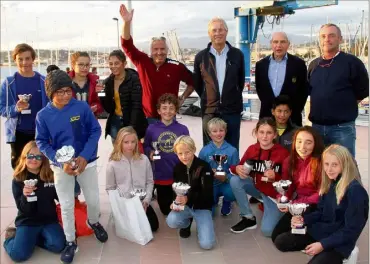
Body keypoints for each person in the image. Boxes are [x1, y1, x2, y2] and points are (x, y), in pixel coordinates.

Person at [35, 70, 108, 264]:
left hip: (87, 162)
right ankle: (70, 241)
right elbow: (42, 142)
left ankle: (93, 221)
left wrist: (84, 157)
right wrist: (60, 162)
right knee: (66, 204)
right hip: (62, 167)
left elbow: (95, 130)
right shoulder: (43, 116)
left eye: (68, 91)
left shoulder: (82, 107)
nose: (65, 95)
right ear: (51, 93)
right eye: (59, 92)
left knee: (93, 199)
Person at [274, 144, 369, 264]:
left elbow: (351, 230)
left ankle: (332, 255)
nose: (329, 169)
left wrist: (323, 245)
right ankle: (320, 250)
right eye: (326, 164)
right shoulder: (329, 183)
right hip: (323, 231)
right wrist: (303, 220)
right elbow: (320, 211)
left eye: (335, 165)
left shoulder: (356, 191)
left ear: (345, 165)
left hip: (340, 240)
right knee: (281, 241)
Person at [119, 4, 194, 123]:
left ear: (167, 50)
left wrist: (182, 98)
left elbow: (193, 82)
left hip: (169, 118)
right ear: (151, 51)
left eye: (162, 49)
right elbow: (126, 44)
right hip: (147, 118)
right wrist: (126, 23)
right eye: (155, 49)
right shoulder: (142, 61)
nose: (159, 52)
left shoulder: (177, 67)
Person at [307, 24, 369, 157]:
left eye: (331, 35)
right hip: (317, 127)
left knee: (346, 168)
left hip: (342, 129)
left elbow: (363, 90)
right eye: (323, 36)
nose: (327, 39)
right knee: (319, 168)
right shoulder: (313, 65)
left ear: (340, 39)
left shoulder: (352, 63)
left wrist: (344, 106)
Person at [3, 141, 65, 262]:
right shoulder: (18, 178)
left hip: (48, 220)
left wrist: (67, 180)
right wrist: (25, 196)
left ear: (43, 159)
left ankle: (33, 239)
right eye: (30, 156)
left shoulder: (50, 175)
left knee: (59, 246)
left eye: (38, 156)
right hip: (28, 221)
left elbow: (61, 197)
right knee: (19, 255)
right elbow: (22, 208)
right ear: (24, 157)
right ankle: (11, 238)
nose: (34, 159)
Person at [229, 117, 289, 237]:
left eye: (269, 133)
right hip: (257, 188)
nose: (264, 136)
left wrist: (276, 177)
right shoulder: (252, 149)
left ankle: (279, 211)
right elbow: (240, 166)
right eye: (261, 132)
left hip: (274, 195)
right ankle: (248, 218)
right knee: (235, 180)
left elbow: (288, 181)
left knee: (267, 232)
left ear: (275, 134)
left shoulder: (283, 153)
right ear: (256, 133)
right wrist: (236, 169)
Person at [193, 17, 245, 151]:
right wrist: (208, 97)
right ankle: (210, 172)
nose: (218, 33)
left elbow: (240, 81)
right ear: (209, 33)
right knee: (209, 150)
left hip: (232, 110)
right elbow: (198, 84)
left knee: (232, 148)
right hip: (210, 110)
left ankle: (231, 172)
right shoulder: (201, 57)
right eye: (214, 30)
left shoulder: (237, 54)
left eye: (221, 29)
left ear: (226, 31)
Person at [271, 126, 325, 242]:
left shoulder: (322, 162)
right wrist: (282, 199)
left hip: (316, 206)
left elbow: (322, 194)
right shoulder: (289, 161)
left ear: (315, 144)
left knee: (282, 242)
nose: (302, 147)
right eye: (299, 141)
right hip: (298, 205)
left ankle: (319, 239)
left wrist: (296, 203)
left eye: (308, 142)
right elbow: (287, 187)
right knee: (275, 235)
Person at [0, 43, 49, 169]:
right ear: (15, 60)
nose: (24, 62)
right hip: (18, 134)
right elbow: (2, 109)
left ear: (33, 59)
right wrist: (16, 108)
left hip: (41, 133)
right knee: (19, 169)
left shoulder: (44, 82)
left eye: (27, 58)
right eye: (20, 59)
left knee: (43, 169)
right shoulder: (8, 83)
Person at [143, 93, 189, 216]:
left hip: (177, 174)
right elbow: (146, 145)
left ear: (175, 111)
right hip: (160, 174)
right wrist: (150, 152)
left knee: (179, 206)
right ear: (158, 110)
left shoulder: (182, 129)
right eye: (164, 108)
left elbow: (188, 149)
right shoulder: (151, 128)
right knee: (165, 210)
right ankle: (160, 194)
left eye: (171, 108)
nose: (167, 111)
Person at [166, 136, 215, 250]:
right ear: (176, 153)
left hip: (202, 207)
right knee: (171, 221)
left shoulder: (204, 167)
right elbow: (175, 189)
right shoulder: (177, 168)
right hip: (186, 207)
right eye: (180, 153)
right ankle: (187, 223)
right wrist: (175, 202)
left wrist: (188, 199)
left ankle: (202, 222)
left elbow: (207, 194)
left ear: (193, 149)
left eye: (187, 152)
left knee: (207, 245)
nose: (184, 156)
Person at [106, 126, 158, 232]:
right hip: (124, 202)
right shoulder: (112, 164)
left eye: (133, 142)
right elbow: (110, 188)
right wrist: (120, 203)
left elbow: (149, 182)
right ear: (120, 142)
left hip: (141, 200)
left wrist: (147, 200)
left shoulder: (144, 159)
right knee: (130, 228)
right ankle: (118, 215)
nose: (130, 145)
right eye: (126, 142)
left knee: (153, 226)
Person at [255, 32, 308, 127]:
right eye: (275, 42)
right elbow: (260, 89)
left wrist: (293, 110)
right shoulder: (260, 65)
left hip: (292, 118)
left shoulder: (299, 64)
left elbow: (303, 91)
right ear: (271, 44)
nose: (278, 45)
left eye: (283, 42)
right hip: (267, 116)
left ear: (288, 44)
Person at [98, 50, 148, 143]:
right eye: (111, 63)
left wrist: (131, 128)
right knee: (117, 154)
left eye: (116, 63)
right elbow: (109, 109)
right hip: (115, 122)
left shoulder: (134, 79)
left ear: (124, 63)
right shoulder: (108, 82)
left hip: (132, 122)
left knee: (131, 153)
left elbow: (136, 106)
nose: (113, 66)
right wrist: (101, 94)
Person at [198, 118, 239, 216]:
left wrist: (226, 177)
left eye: (221, 130)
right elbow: (200, 169)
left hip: (226, 182)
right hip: (211, 184)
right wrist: (209, 172)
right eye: (214, 131)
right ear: (209, 133)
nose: (218, 134)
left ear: (225, 131)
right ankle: (213, 200)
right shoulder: (204, 151)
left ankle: (227, 200)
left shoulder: (232, 150)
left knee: (233, 191)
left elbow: (236, 171)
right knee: (210, 213)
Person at [68, 51, 103, 117]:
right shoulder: (65, 82)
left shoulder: (96, 81)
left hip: (90, 122)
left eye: (87, 65)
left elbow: (101, 103)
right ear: (73, 65)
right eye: (81, 64)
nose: (85, 68)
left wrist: (94, 108)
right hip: (69, 123)